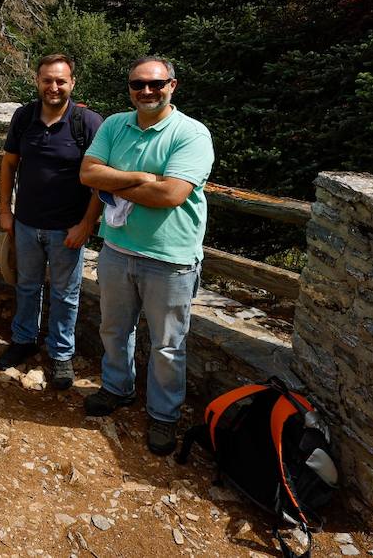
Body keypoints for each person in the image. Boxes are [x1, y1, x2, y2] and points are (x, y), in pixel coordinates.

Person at [78, 56, 214, 457]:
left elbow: (172, 195)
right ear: (130, 88)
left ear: (173, 85)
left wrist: (116, 181)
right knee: (114, 329)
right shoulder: (115, 123)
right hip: (118, 248)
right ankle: (117, 388)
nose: (147, 91)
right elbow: (87, 173)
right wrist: (143, 179)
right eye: (139, 84)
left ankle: (163, 415)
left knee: (168, 344)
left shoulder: (191, 134)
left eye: (156, 84)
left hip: (170, 258)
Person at [0, 54, 104, 388]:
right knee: (26, 286)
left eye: (60, 81)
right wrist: (5, 210)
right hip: (27, 223)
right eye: (47, 80)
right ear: (37, 81)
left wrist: (86, 224)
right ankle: (24, 340)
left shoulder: (87, 122)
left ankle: (60, 354)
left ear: (72, 83)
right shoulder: (25, 116)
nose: (53, 87)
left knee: (66, 293)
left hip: (66, 227)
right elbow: (9, 165)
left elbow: (100, 180)